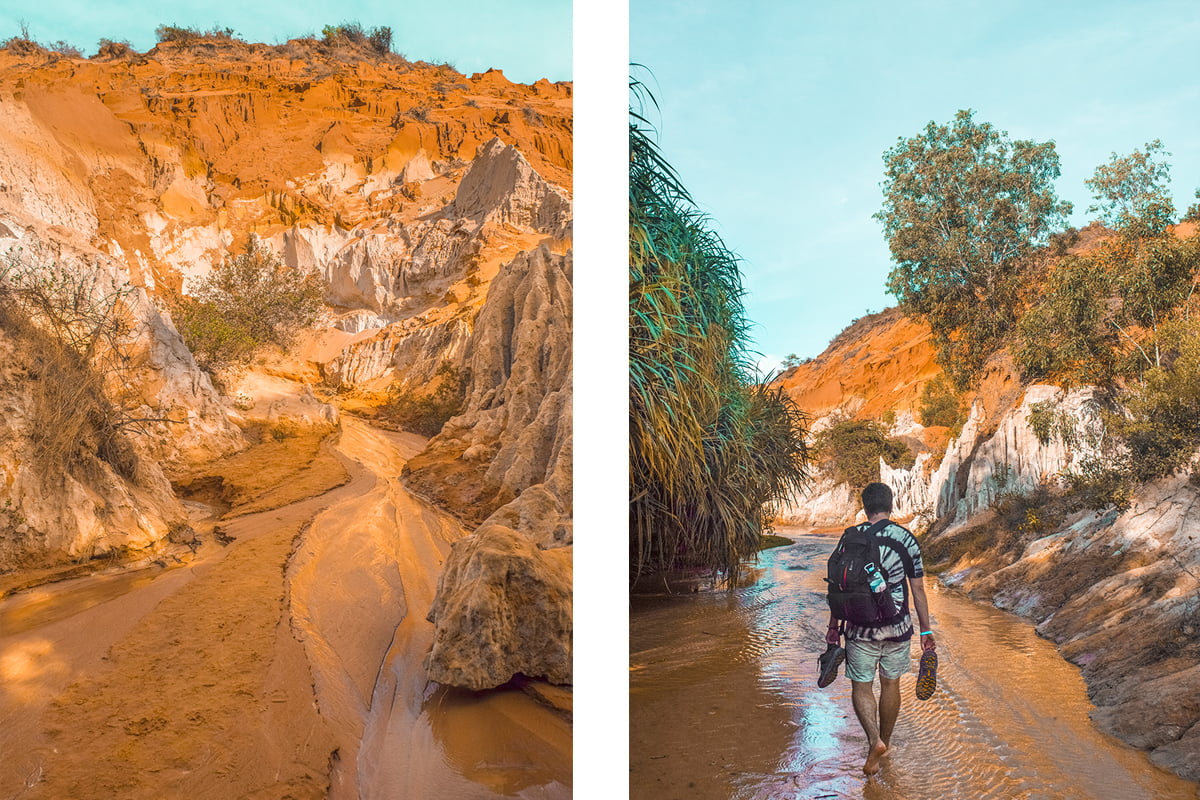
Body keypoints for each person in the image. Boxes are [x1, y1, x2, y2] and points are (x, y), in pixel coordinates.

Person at [825, 481, 935, 775]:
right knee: (890, 684)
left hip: (859, 628)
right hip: (897, 627)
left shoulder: (850, 537)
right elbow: (919, 590)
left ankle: (874, 740)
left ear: (865, 507)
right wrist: (926, 632)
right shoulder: (906, 539)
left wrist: (833, 626)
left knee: (861, 686)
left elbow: (837, 585)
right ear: (891, 505)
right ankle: (884, 742)